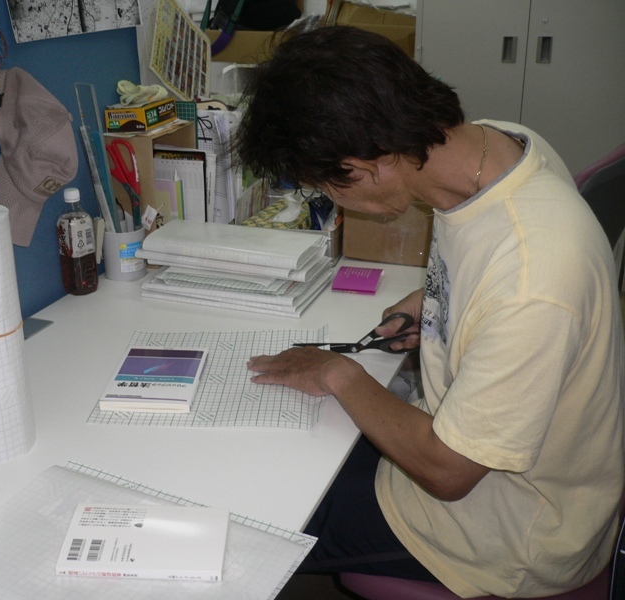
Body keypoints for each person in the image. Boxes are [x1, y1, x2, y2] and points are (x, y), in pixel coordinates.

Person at [234, 25, 625, 598]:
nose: (335, 201)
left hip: (511, 530)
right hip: (490, 462)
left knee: (257, 510)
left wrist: (338, 372)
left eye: (327, 187)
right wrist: (444, 303)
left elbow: (449, 473)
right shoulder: (498, 149)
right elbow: (497, 274)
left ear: (364, 166)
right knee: (299, 453)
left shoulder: (534, 275)